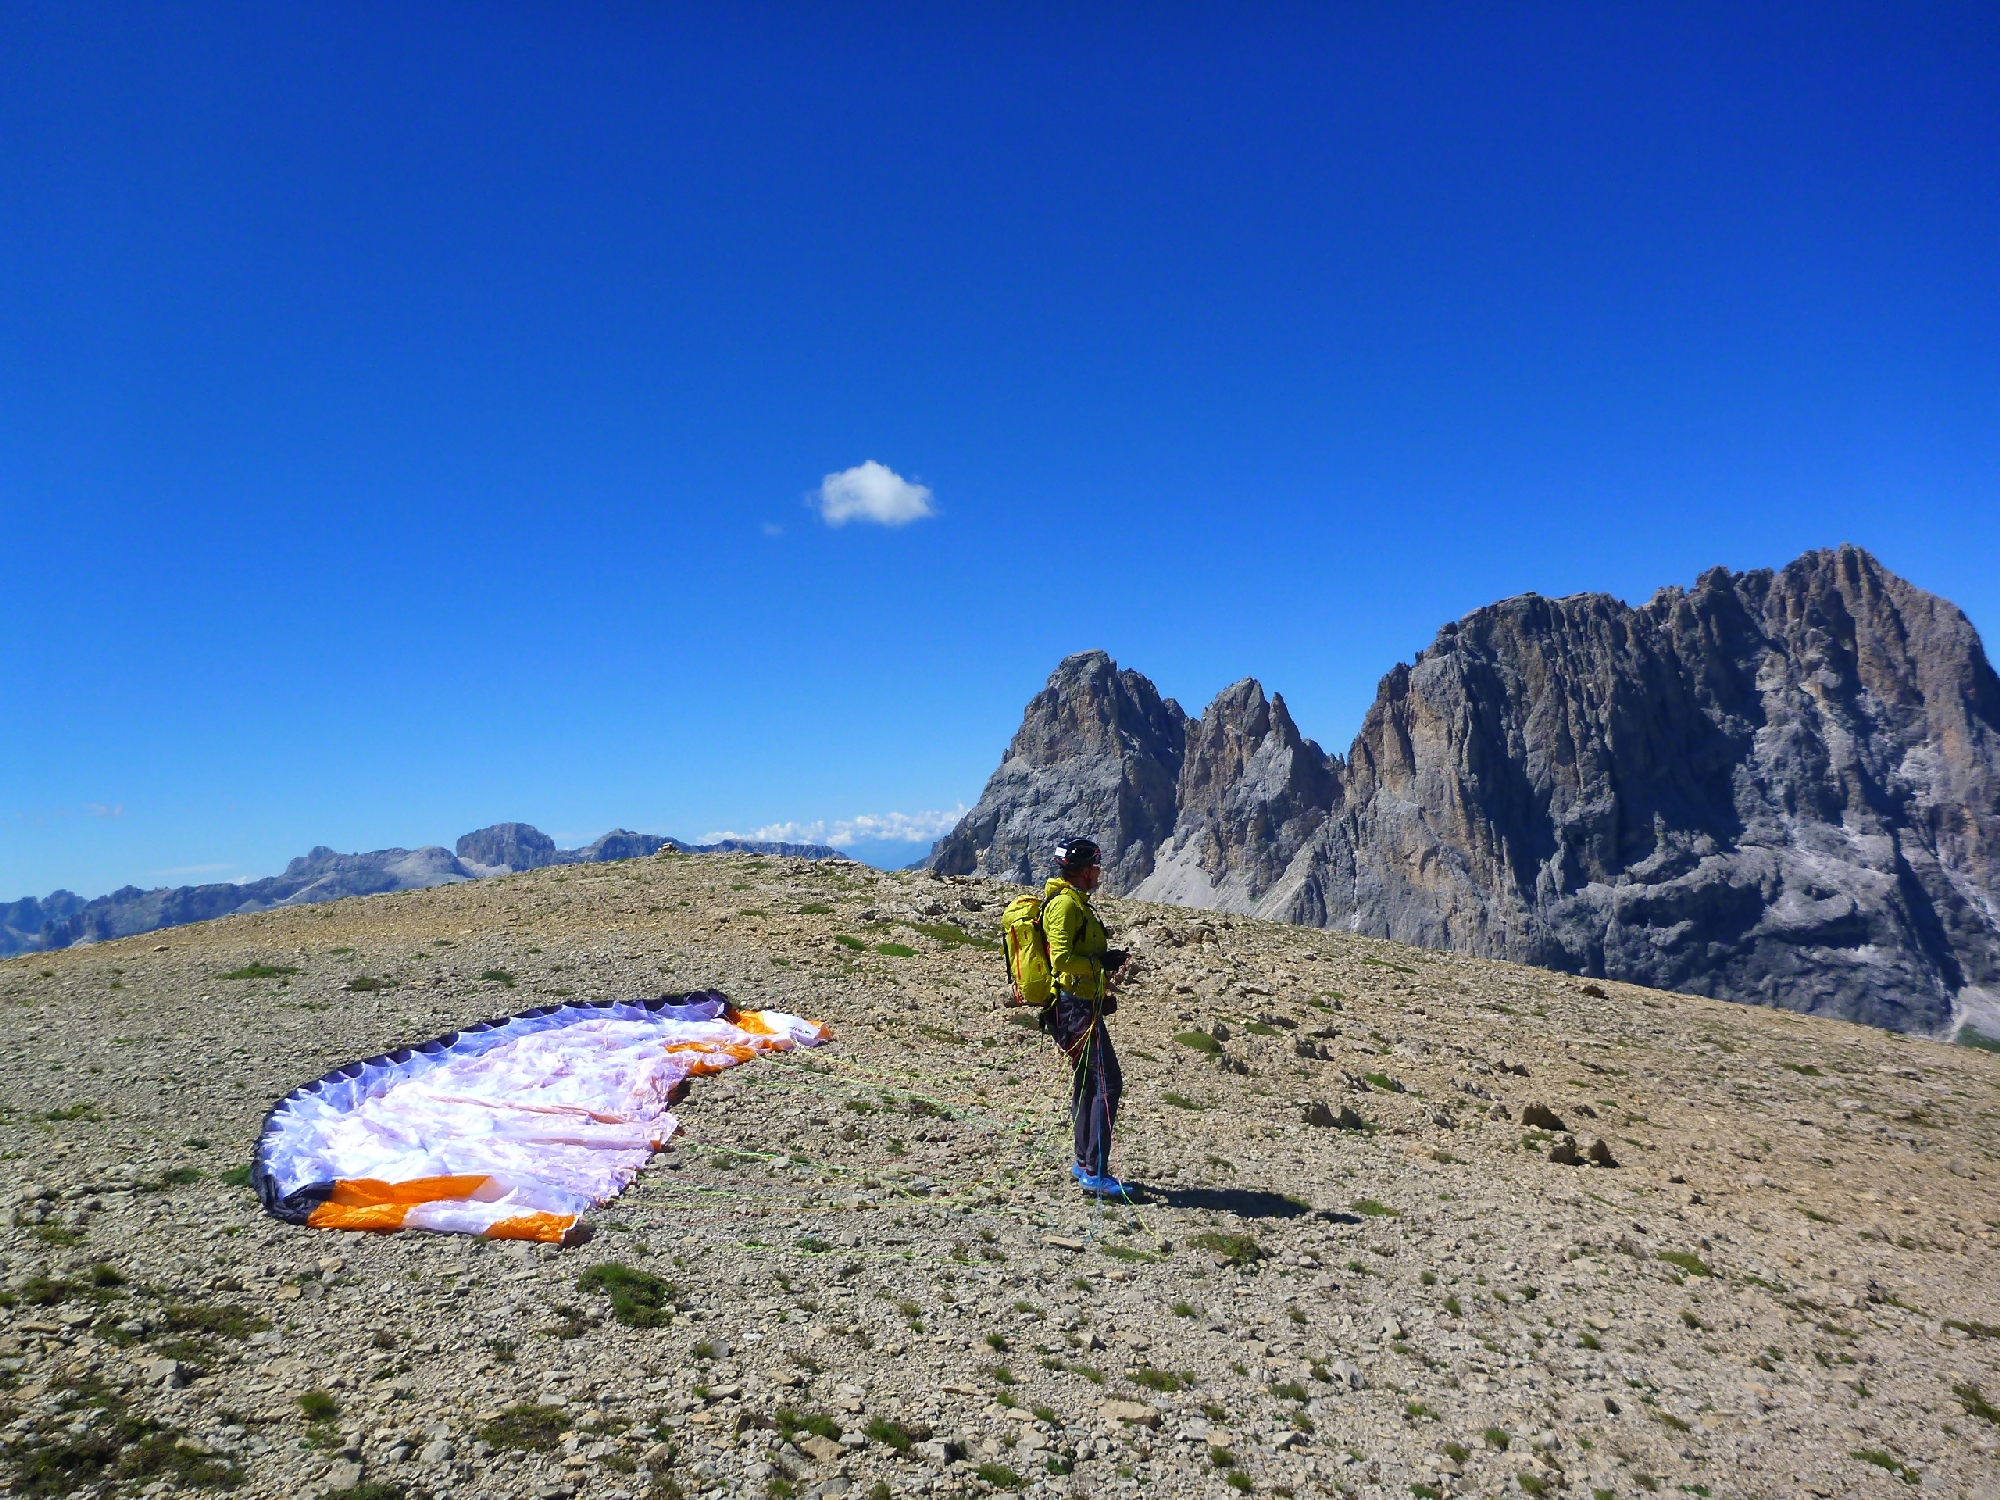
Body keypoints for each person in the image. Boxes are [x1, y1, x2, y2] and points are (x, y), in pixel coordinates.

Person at [1042, 837, 1129, 1198]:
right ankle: (1094, 1171)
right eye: (1095, 865)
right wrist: (1100, 964)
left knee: (1088, 1082)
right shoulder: (1065, 906)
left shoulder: (1076, 902)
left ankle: (1084, 1162)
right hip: (1074, 1006)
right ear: (1081, 870)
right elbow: (1061, 960)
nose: (1099, 872)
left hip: (1080, 1004)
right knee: (1108, 1083)